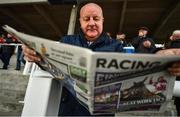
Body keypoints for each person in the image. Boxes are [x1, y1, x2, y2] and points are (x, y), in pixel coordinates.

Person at [22, 3, 180, 116]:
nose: (91, 23)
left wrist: (162, 58)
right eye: (87, 19)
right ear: (80, 22)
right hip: (68, 109)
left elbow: (134, 67)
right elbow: (51, 65)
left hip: (102, 113)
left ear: (102, 21)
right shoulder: (67, 41)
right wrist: (35, 57)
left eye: (96, 18)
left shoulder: (116, 45)